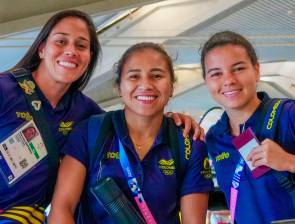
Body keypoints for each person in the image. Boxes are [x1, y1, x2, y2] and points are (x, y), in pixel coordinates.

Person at [0, 10, 199, 224]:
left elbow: (132, 123)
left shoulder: (85, 111)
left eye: (81, 45)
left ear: (89, 58)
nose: (70, 51)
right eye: (61, 41)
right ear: (41, 48)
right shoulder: (5, 89)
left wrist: (166, 119)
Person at [48, 42, 214, 224]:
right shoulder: (90, 132)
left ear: (172, 87)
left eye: (157, 76)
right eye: (134, 76)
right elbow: (62, 209)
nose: (146, 85)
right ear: (119, 88)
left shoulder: (188, 143)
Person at [201, 31, 295, 223]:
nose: (228, 80)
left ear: (257, 70)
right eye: (216, 73)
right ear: (206, 81)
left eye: (238, 69)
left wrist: (289, 162)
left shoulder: (288, 115)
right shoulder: (214, 138)